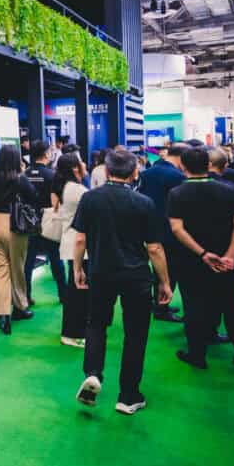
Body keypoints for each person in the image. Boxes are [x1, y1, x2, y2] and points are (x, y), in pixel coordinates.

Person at [72, 149, 173, 415]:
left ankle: (93, 373)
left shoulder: (90, 199)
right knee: (135, 333)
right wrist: (164, 281)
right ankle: (128, 396)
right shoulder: (144, 203)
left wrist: (77, 268)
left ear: (106, 171)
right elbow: (154, 248)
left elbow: (80, 239)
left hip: (100, 272)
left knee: (96, 324)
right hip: (136, 276)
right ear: (134, 172)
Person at [167, 147, 234, 372]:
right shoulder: (230, 191)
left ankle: (197, 355)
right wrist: (230, 256)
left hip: (192, 261)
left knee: (194, 307)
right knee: (233, 308)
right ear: (209, 165)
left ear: (182, 166)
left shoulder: (177, 193)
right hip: (226, 262)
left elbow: (177, 229)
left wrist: (202, 254)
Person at [136, 144, 188, 323]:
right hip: (169, 227)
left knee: (157, 268)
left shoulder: (148, 172)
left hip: (148, 224)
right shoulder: (178, 176)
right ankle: (162, 307)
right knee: (169, 269)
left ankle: (159, 304)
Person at [0, 144, 39, 334]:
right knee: (17, 267)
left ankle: (4, 315)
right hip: (15, 225)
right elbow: (33, 196)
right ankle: (20, 307)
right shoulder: (20, 179)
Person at [51, 153, 88, 348]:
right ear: (75, 167)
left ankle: (74, 331)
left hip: (71, 243)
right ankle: (71, 333)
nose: (84, 164)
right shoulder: (76, 189)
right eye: (80, 161)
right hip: (78, 246)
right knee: (77, 293)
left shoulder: (65, 186)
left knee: (76, 292)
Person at [24, 140, 67, 305]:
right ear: (46, 154)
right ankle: (63, 295)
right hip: (49, 222)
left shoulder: (25, 174)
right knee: (56, 259)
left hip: (28, 222)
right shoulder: (52, 175)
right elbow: (57, 200)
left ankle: (26, 297)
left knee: (28, 261)